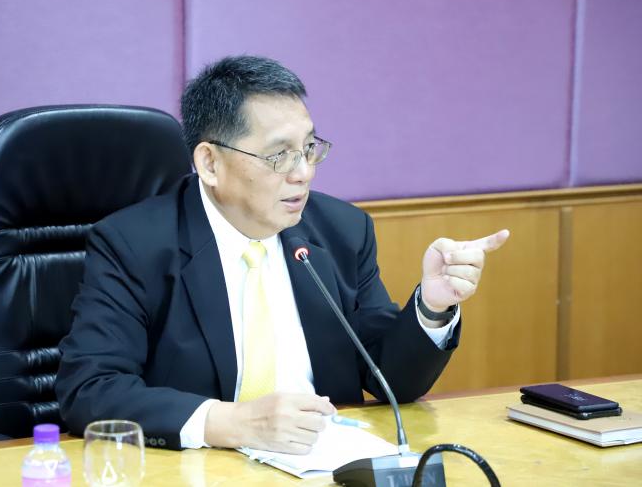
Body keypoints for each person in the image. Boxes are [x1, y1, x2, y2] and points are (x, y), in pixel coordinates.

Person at [55, 55, 509, 454]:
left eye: (308, 149)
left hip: (323, 466)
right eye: (279, 156)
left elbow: (392, 379)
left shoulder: (341, 231)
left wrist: (431, 306)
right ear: (210, 163)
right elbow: (91, 390)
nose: (303, 173)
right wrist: (231, 423)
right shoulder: (134, 244)